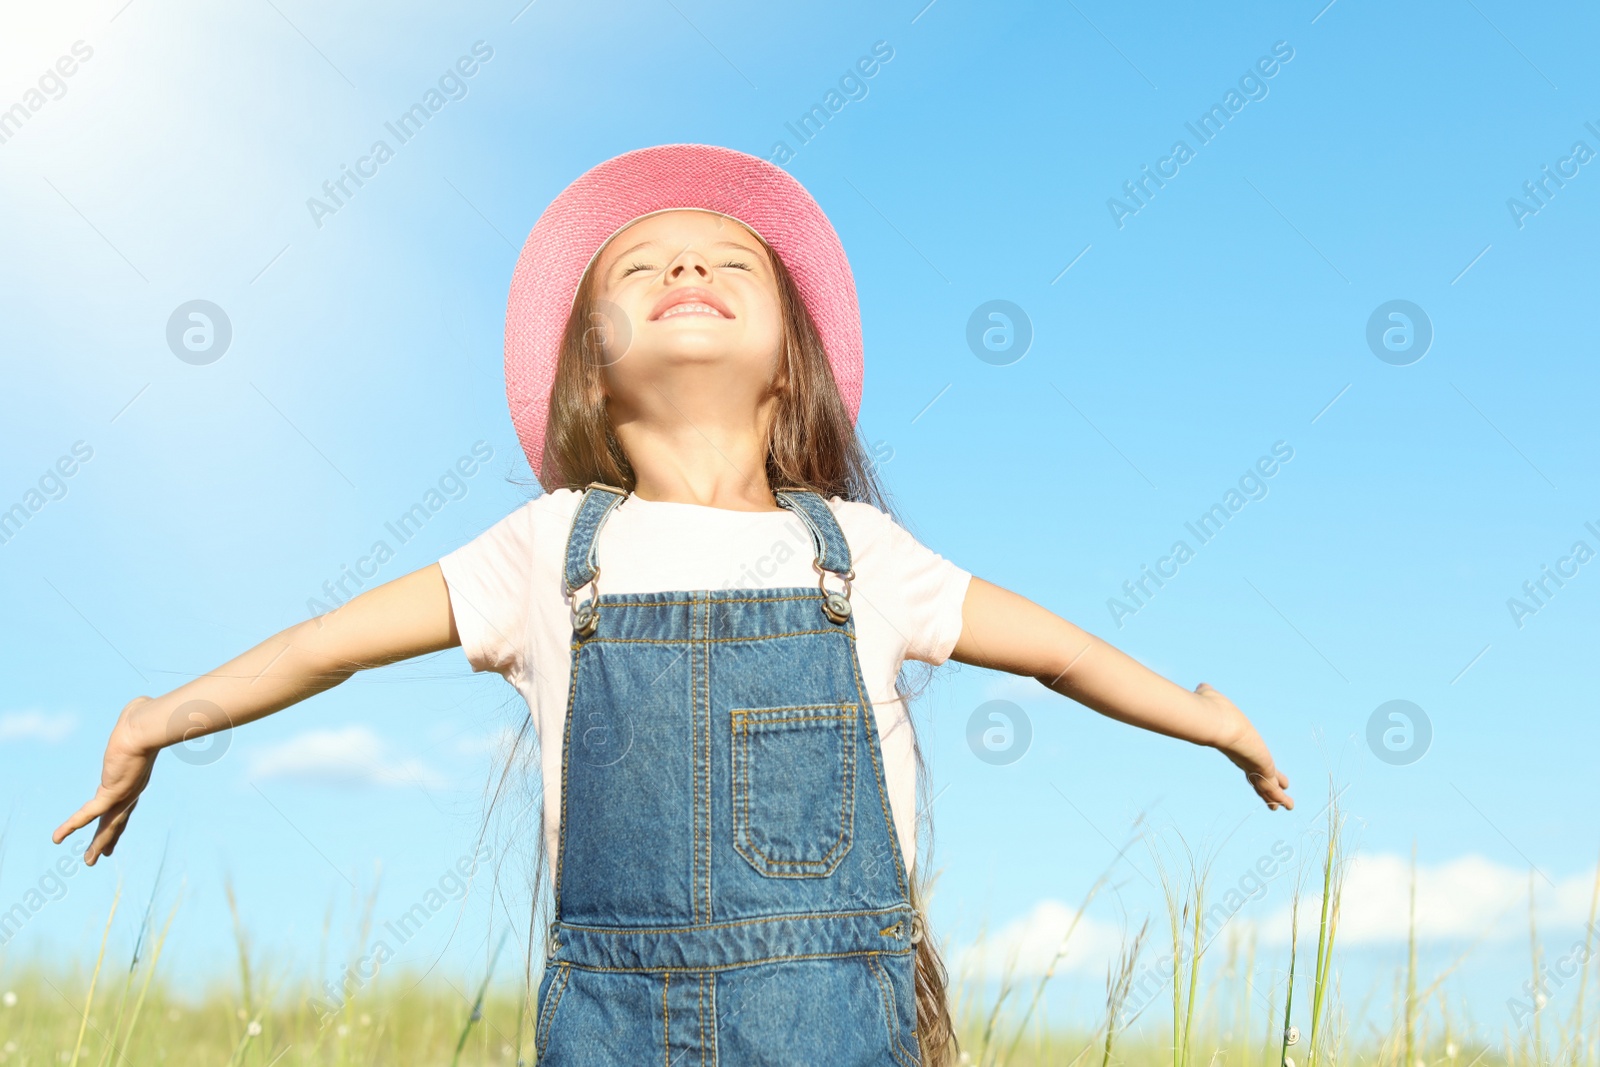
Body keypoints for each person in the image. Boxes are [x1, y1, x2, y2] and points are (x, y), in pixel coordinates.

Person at [54, 144, 1292, 1066]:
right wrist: (162, 712)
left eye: (728, 260)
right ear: (590, 362)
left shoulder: (860, 554)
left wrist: (1204, 715)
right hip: (608, 1026)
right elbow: (328, 647)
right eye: (641, 266)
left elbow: (1061, 656)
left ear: (789, 361)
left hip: (844, 1027)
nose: (688, 263)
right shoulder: (545, 549)